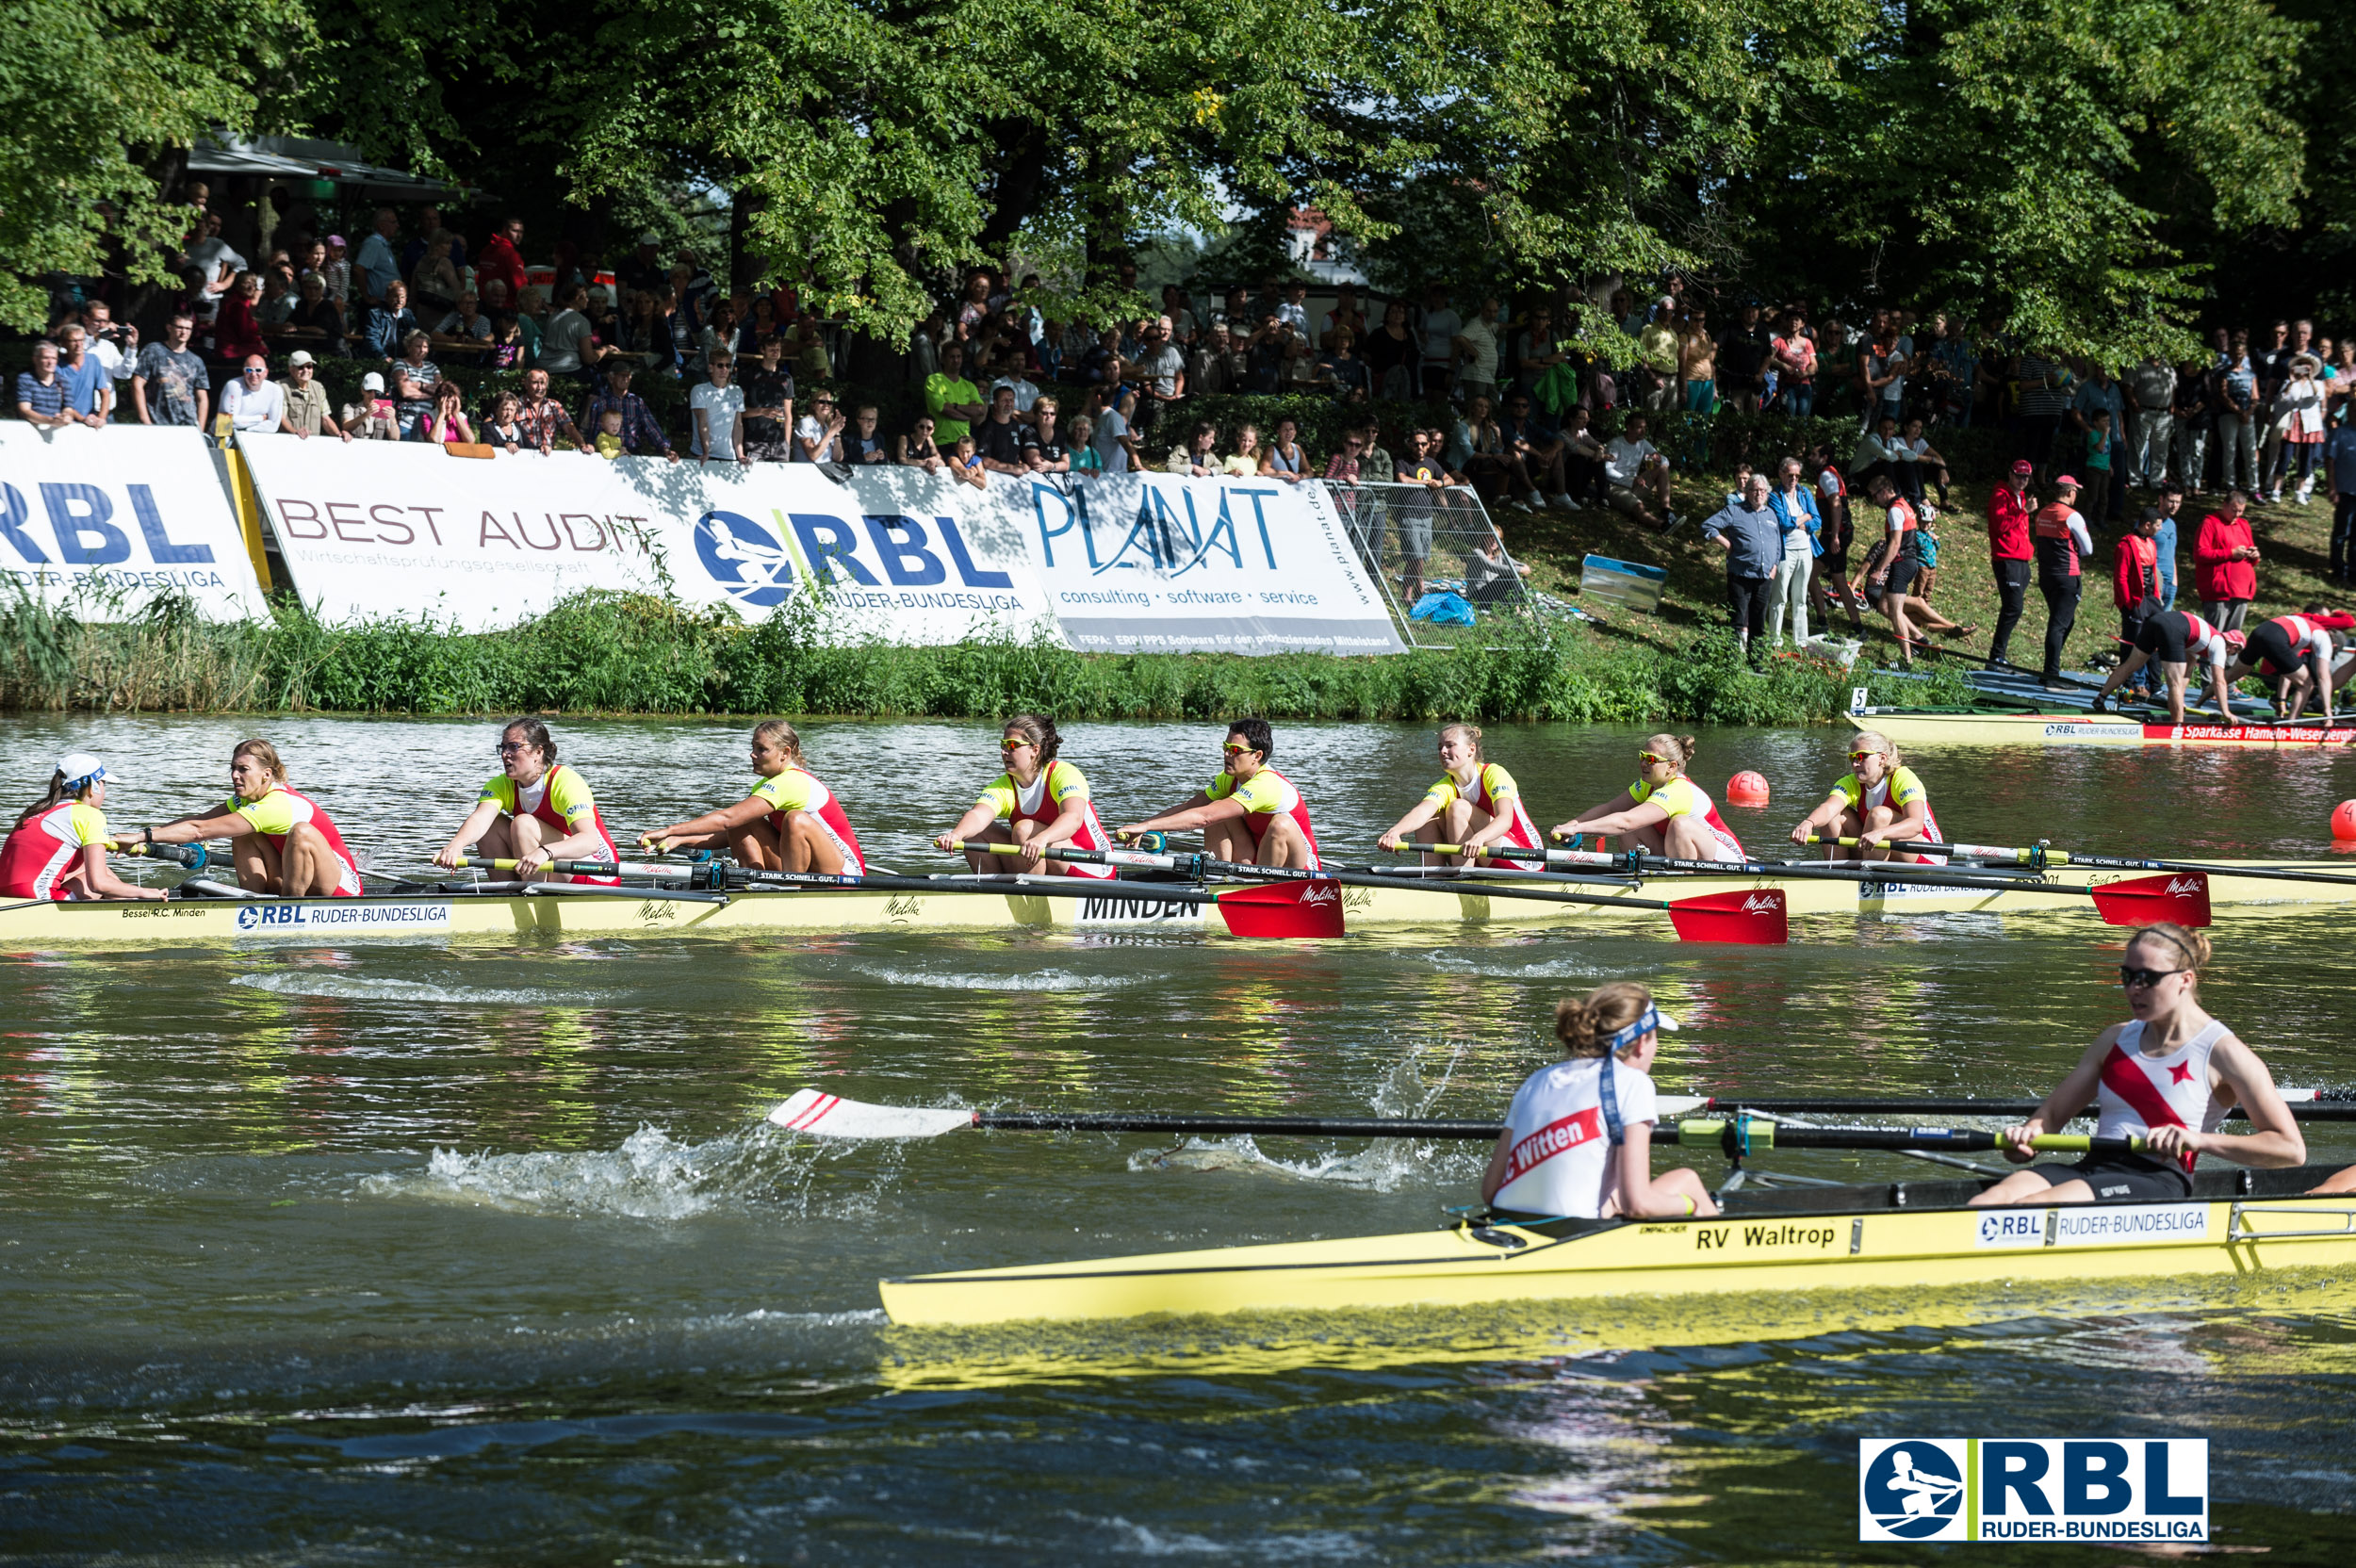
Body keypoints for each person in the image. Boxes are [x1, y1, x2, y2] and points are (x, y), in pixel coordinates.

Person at [1969, 925, 2302, 1208]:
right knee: (1987, 1202)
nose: (2133, 989)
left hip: (2157, 1179)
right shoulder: (2114, 1040)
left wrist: (2199, 1140)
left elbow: (2290, 1150)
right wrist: (2026, 1139)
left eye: (2147, 978)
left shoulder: (2225, 1053)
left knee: (2032, 1208)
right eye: (2127, 975)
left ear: (2185, 980)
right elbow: (2052, 1116)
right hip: (2094, 1165)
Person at [1481, 983, 1717, 1222]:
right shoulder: (1633, 1083)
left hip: (1505, 1219)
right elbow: (1637, 1205)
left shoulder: (1537, 1080)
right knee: (1689, 1184)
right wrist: (1690, 1204)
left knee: (1678, 1179)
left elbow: (1490, 1192)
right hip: (1573, 1232)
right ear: (1643, 1041)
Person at [135, 739, 364, 897]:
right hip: (294, 879)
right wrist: (143, 839)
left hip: (337, 887)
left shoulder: (278, 804)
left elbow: (199, 831)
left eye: (243, 769)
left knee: (301, 831)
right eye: (233, 768)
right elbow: (200, 820)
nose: (235, 775)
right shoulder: (244, 800)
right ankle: (252, 901)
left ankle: (290, 909)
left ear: (266, 774)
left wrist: (143, 836)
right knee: (241, 830)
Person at [638, 721, 866, 874]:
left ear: (785, 753)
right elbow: (730, 829)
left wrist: (671, 830)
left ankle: (793, 891)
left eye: (761, 749)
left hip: (845, 873)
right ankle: (751, 889)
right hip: (805, 866)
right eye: (753, 747)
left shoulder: (794, 781)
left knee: (795, 819)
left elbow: (726, 818)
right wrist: (680, 840)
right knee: (744, 822)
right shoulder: (765, 785)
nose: (752, 754)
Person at [431, 719, 620, 884]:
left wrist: (546, 852)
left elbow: (589, 841)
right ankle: (507, 896)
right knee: (491, 824)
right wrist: (456, 845)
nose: (505, 754)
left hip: (599, 872)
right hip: (553, 868)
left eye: (514, 747)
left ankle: (530, 897)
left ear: (538, 752)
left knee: (523, 823)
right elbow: (480, 820)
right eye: (503, 747)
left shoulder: (566, 782)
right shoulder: (501, 785)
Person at [1116, 718, 1319, 869]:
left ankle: (1260, 889)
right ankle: (1219, 876)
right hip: (1257, 860)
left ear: (1257, 756)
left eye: (1235, 750)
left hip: (1299, 870)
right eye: (1226, 747)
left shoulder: (1267, 784)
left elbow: (1202, 819)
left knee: (1280, 824)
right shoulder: (1229, 778)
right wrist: (1142, 827)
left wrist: (1146, 826)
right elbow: (1190, 808)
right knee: (1216, 807)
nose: (1226, 754)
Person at [931, 715, 1114, 877]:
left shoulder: (1064, 774)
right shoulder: (1005, 785)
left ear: (1035, 750)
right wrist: (956, 834)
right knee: (975, 833)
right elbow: (978, 816)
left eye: (1012, 746)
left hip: (1094, 863)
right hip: (1045, 856)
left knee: (1024, 829)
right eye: (1003, 745)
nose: (1004, 752)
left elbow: (1073, 818)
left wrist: (1042, 838)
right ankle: (994, 894)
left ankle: (1027, 899)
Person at [1549, 733, 1744, 862]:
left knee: (1679, 824)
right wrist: (1570, 826)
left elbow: (1626, 822)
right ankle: (1638, 878)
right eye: (1642, 756)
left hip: (1726, 860)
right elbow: (1610, 809)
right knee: (1625, 821)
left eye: (1651, 760)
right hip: (1684, 854)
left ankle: (1680, 883)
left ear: (1671, 766)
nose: (1644, 763)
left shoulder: (1680, 790)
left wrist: (1577, 828)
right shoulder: (1647, 785)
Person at [1376, 723, 1543, 865]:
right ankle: (1434, 880)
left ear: (1471, 749)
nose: (1442, 751)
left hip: (1526, 857)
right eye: (1440, 747)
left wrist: (1479, 838)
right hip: (1482, 853)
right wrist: (1395, 832)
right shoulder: (1446, 786)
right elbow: (1420, 812)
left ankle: (1461, 879)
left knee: (1458, 807)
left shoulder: (1494, 774)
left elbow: (1505, 820)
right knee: (1427, 821)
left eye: (1450, 745)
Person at [1, 755, 162, 902]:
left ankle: (127, 906)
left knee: (88, 866)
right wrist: (145, 892)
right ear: (93, 788)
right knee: (104, 875)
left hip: (6, 898)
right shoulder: (89, 815)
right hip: (38, 900)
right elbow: (99, 884)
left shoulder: (37, 811)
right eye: (103, 784)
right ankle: (137, 910)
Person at [1787, 729, 1945, 864]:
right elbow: (1828, 808)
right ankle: (1837, 875)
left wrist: (1881, 833)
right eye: (1852, 758)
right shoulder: (1851, 782)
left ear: (1882, 759)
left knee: (1879, 815)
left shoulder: (1903, 778)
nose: (1855, 764)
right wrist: (1809, 823)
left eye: (1861, 757)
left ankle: (1869, 880)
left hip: (1927, 854)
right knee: (1834, 816)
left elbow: (1915, 824)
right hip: (1874, 848)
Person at [2090, 609, 2243, 724]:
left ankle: (2100, 698)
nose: (2231, 655)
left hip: (2156, 620)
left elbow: (2187, 671)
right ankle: (2177, 729)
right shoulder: (2219, 644)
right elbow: (2219, 681)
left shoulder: (2202, 639)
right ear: (2234, 647)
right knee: (2174, 685)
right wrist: (2226, 712)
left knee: (2129, 666)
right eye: (2234, 653)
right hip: (2172, 629)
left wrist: (2180, 699)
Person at [1701, 473, 1782, 662]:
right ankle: (1731, 661)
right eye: (1754, 490)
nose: (1758, 494)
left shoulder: (1770, 514)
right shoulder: (1734, 511)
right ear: (1746, 492)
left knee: (1758, 623)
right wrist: (1727, 544)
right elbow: (1707, 526)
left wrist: (1774, 566)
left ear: (1767, 493)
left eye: (1762, 491)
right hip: (1741, 575)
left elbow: (1777, 543)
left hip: (1764, 577)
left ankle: (1756, 663)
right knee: (1737, 620)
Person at [2225, 607, 2356, 722]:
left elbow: (2286, 672)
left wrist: (2281, 699)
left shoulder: (2300, 627)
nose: (2328, 619)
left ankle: (2309, 704)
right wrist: (2337, 613)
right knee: (2312, 676)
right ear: (2317, 614)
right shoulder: (2315, 626)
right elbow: (2349, 621)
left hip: (2267, 654)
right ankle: (2298, 717)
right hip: (2279, 668)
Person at [2032, 475, 2095, 687]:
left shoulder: (2042, 513)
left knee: (2065, 622)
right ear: (2069, 492)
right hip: (2067, 576)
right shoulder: (2072, 516)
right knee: (2058, 625)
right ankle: (2051, 675)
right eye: (2076, 491)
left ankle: (2050, 669)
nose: (2076, 495)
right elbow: (2088, 549)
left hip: (2046, 576)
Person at [1763, 457, 1822, 649]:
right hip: (1785, 552)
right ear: (1781, 474)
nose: (1794, 479)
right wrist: (1804, 517)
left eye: (1797, 475)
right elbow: (1781, 522)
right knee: (1779, 597)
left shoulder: (1805, 493)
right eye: (1790, 475)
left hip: (1805, 551)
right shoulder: (1774, 495)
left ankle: (1801, 641)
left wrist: (1799, 520)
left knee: (1801, 598)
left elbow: (1818, 520)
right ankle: (1775, 640)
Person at [1986, 459, 2037, 667]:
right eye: (2018, 475)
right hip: (2007, 559)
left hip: (2021, 560)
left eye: (2026, 476)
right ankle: (1995, 656)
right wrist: (2024, 511)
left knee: (2012, 607)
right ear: (2010, 474)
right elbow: (2001, 525)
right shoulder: (2000, 495)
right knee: (2013, 607)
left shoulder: (2020, 496)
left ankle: (1998, 655)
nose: (2022, 480)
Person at [2194, 491, 2260, 631]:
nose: (2237, 515)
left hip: (2242, 590)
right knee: (2214, 637)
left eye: (2241, 511)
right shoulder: (2210, 523)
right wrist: (2230, 553)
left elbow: (2251, 555)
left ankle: (2231, 655)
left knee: (2233, 639)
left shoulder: (2243, 524)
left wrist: (2254, 555)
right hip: (2219, 590)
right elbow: (2201, 554)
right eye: (2234, 510)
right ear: (2224, 505)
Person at [131, 313, 208, 428]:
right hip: (157, 422)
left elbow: (202, 397)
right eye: (180, 327)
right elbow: (137, 384)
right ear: (169, 328)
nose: (184, 332)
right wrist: (145, 420)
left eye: (188, 329)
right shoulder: (153, 350)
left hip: (188, 424)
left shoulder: (196, 361)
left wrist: (200, 429)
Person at [1603, 412, 1675, 529]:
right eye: (1639, 428)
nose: (1643, 431)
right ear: (1629, 428)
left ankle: (1666, 511)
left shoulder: (1642, 443)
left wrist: (1659, 458)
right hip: (1615, 487)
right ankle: (1662, 526)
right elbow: (1607, 471)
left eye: (1645, 427)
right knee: (1638, 506)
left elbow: (1665, 463)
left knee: (1662, 468)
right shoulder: (1616, 444)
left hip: (1636, 484)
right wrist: (1631, 480)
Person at [690, 351, 747, 464]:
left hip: (728, 455)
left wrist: (740, 454)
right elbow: (703, 423)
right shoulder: (699, 390)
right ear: (711, 367)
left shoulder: (737, 391)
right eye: (720, 365)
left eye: (728, 365)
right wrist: (706, 452)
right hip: (702, 454)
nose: (724, 369)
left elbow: (738, 424)